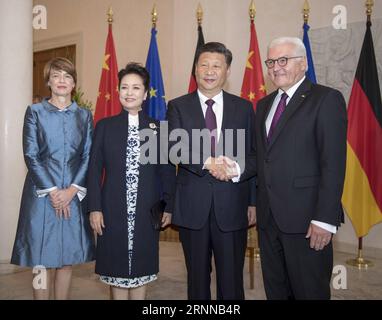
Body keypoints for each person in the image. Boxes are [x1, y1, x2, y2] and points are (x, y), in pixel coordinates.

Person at [255, 37, 347, 299]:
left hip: (308, 222)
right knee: (276, 291)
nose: (276, 67)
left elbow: (334, 163)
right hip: (269, 220)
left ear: (303, 63)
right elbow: (263, 159)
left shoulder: (326, 99)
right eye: (271, 61)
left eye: (284, 60)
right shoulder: (263, 105)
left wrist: (325, 219)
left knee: (309, 293)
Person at [167, 42, 256, 300]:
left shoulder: (243, 108)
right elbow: (174, 147)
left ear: (227, 71)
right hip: (193, 205)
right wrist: (209, 162)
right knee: (197, 281)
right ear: (195, 69)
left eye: (217, 65)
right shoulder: (178, 106)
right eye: (204, 64)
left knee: (231, 281)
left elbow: (253, 155)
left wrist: (252, 201)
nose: (209, 70)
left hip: (233, 204)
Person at [87, 63, 175, 300]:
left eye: (136, 87)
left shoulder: (158, 129)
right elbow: (94, 171)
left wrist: (168, 206)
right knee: (115, 268)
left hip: (147, 210)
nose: (129, 92)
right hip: (112, 209)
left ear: (145, 94)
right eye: (124, 87)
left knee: (141, 268)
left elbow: (167, 171)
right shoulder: (105, 127)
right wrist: (94, 208)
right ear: (118, 91)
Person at [11, 57, 94, 300]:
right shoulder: (35, 112)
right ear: (48, 80)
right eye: (56, 75)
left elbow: (88, 155)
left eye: (67, 76)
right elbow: (31, 154)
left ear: (74, 83)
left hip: (72, 195)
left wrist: (70, 192)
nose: (61, 81)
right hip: (41, 196)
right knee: (41, 259)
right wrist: (53, 191)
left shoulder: (84, 115)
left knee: (67, 260)